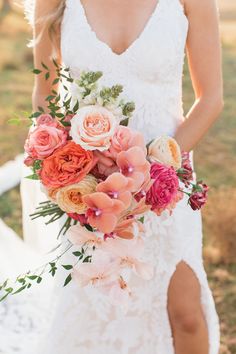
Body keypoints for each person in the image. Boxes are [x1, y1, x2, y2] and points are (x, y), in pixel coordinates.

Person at [4, 0, 224, 353]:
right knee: (95, 306)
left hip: (166, 180)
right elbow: (45, 97)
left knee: (185, 315)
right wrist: (66, 166)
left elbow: (211, 99)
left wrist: (151, 170)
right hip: (90, 189)